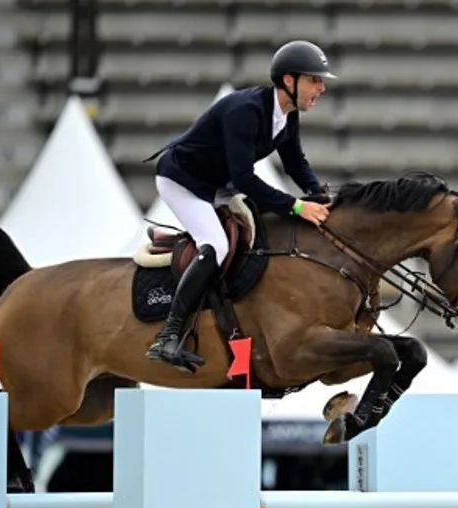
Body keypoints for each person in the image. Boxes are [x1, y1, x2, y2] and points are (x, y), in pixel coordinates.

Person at [145, 40, 338, 374]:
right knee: (217, 245)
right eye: (314, 80)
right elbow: (245, 178)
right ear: (288, 81)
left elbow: (295, 163)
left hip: (219, 186)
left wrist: (318, 194)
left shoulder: (286, 116)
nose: (321, 88)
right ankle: (169, 335)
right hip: (184, 182)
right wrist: (295, 207)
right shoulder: (245, 111)